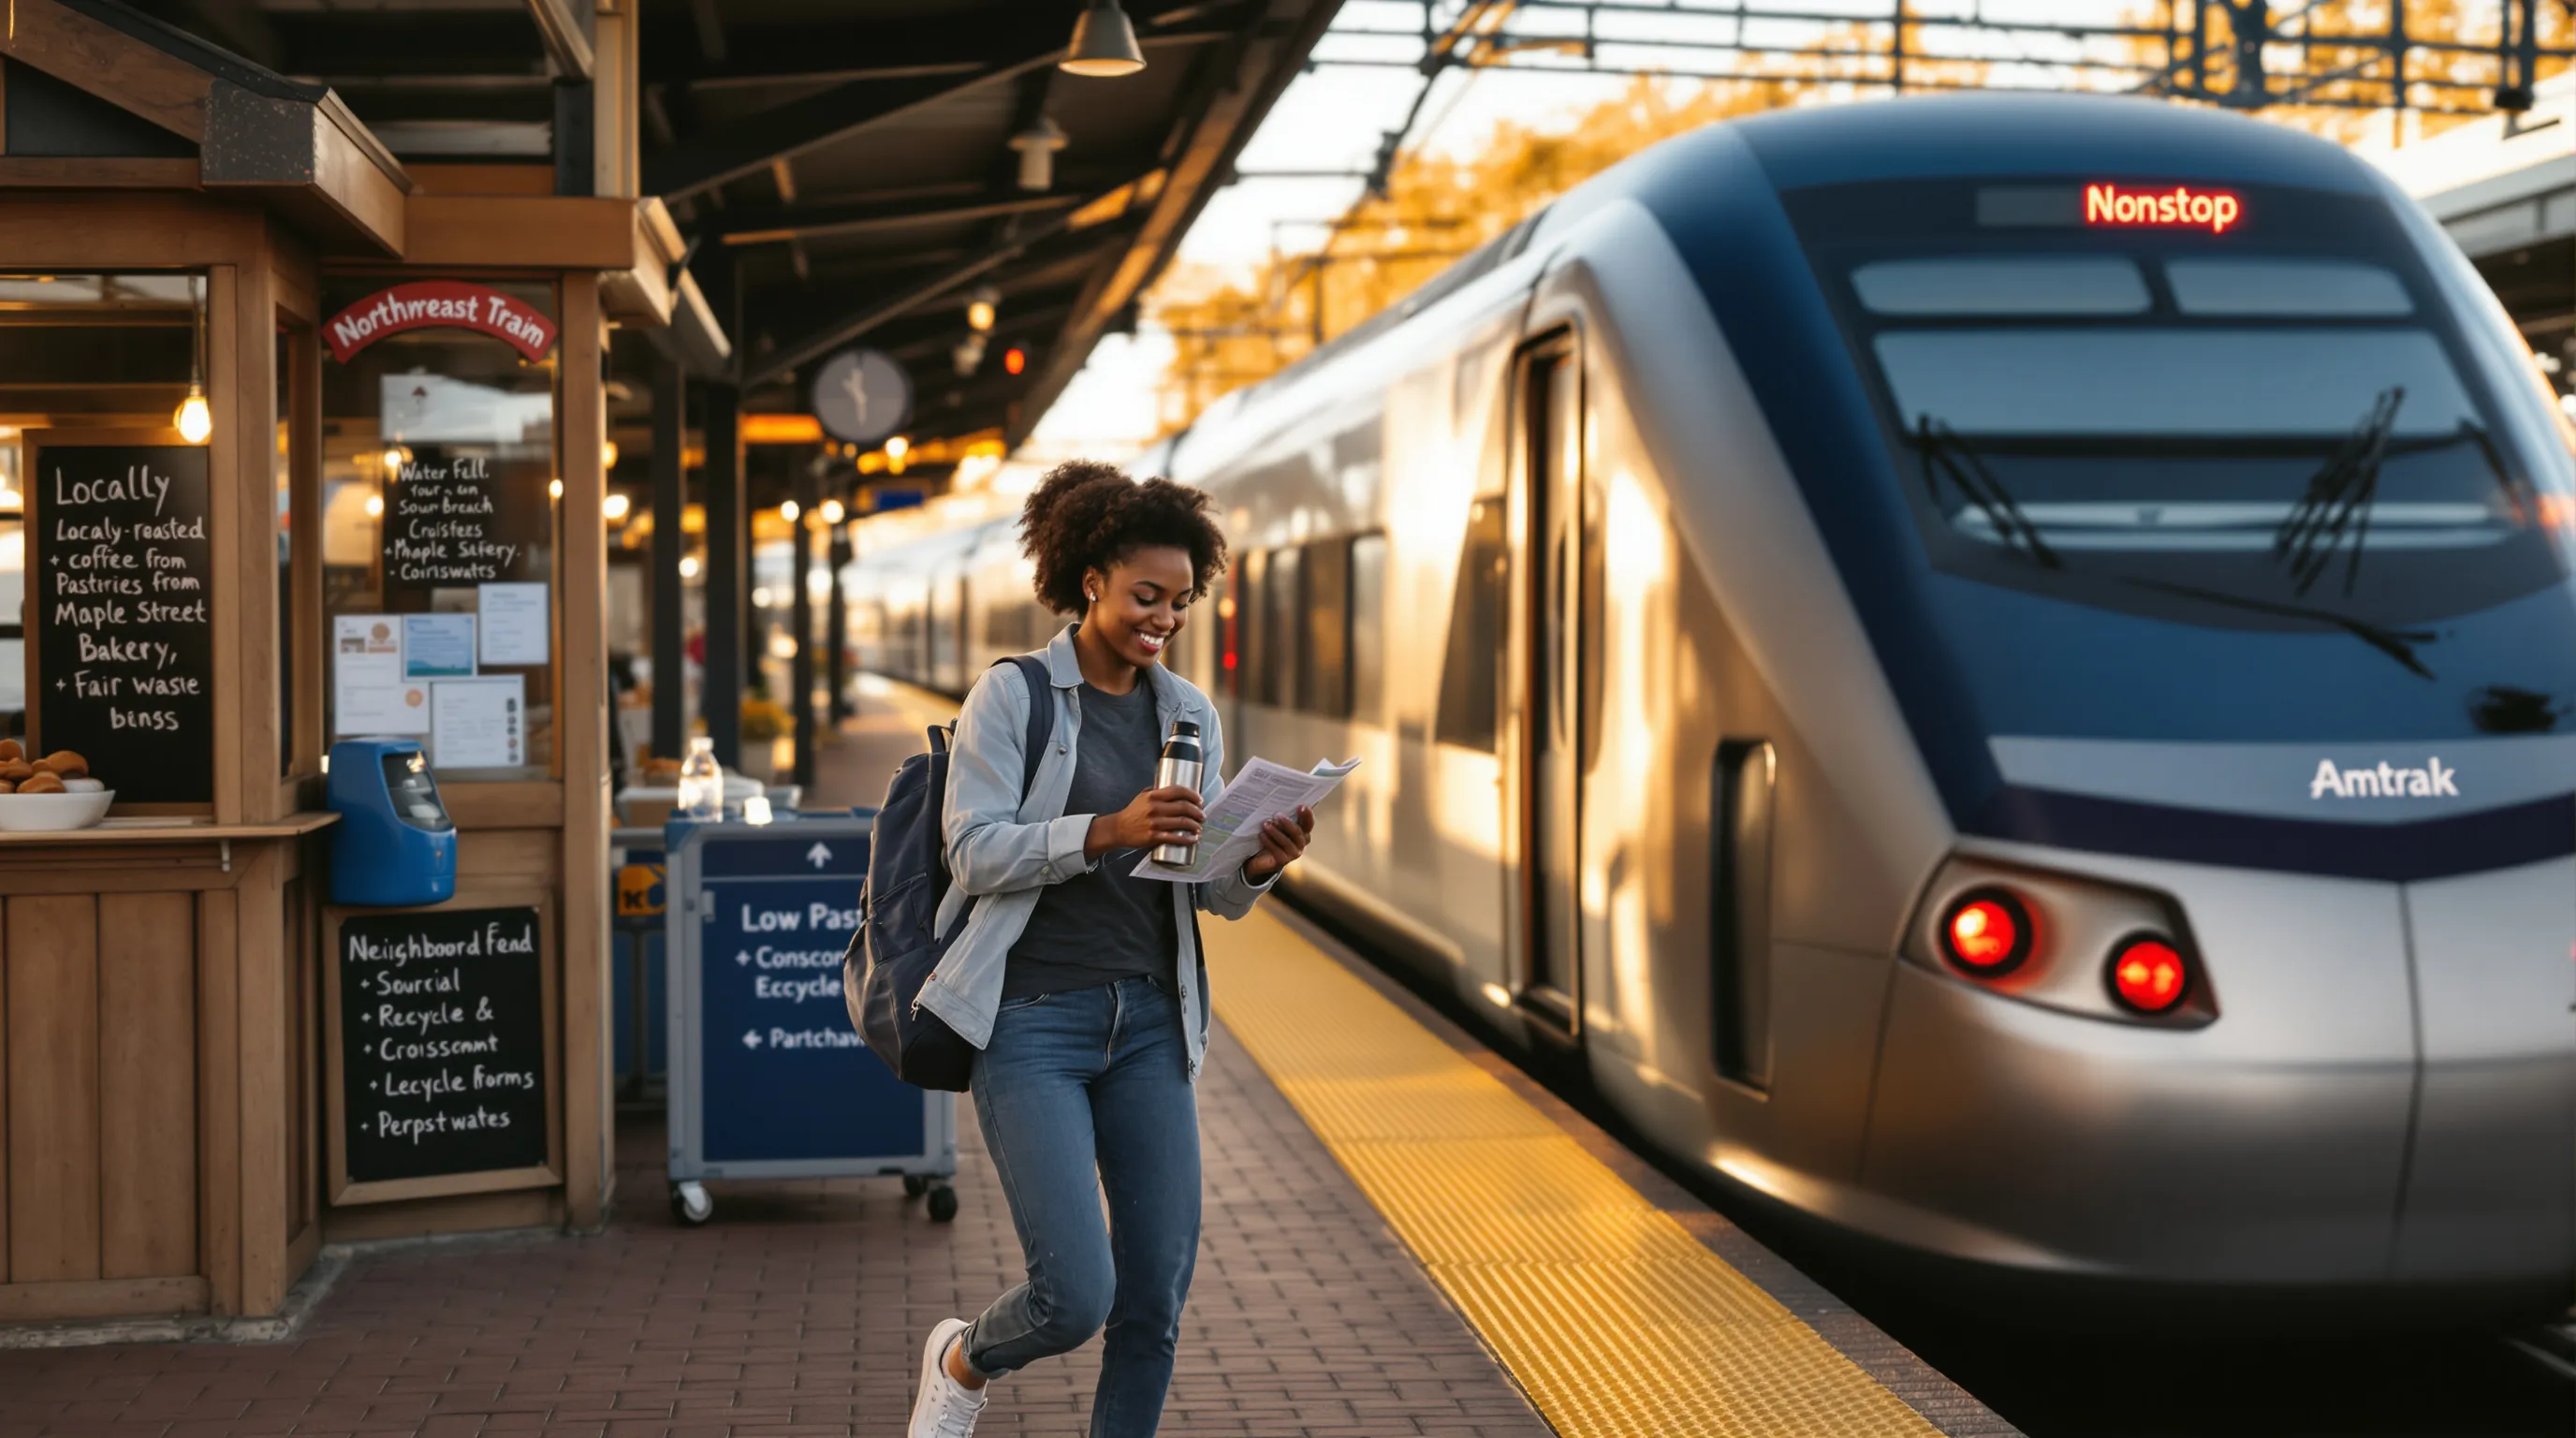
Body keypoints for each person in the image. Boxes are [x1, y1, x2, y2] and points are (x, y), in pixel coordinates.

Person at [907, 461, 1312, 1438]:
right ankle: (962, 1357)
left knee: (1154, 1300)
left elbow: (1204, 890)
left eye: (1178, 602)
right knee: (1076, 1295)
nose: (1162, 619)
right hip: (1030, 1025)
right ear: (1090, 578)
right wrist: (1105, 828)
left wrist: (1257, 863)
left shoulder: (1188, 714)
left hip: (1148, 1027)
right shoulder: (1015, 698)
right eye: (1145, 596)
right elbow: (972, 849)